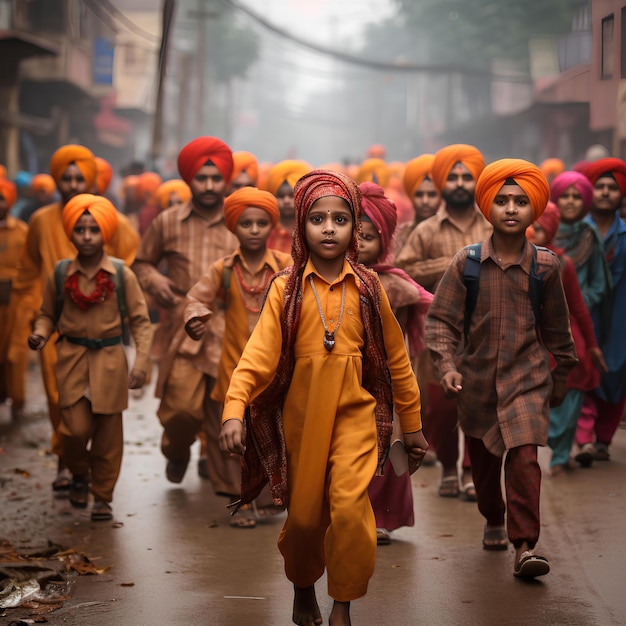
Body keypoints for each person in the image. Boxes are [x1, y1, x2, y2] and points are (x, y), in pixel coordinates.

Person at [219, 170, 428, 626]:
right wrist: (234, 409)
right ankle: (303, 588)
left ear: (355, 228)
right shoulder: (286, 288)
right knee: (306, 520)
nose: (329, 228)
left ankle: (343, 605)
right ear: (301, 226)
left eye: (340, 219)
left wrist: (411, 427)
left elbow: (398, 363)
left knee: (352, 511)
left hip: (358, 420)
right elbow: (255, 357)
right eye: (317, 218)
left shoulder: (370, 287)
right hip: (302, 423)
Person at [425, 159, 577, 578]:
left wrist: (562, 374)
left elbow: (557, 329)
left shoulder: (546, 266)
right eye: (502, 200)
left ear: (534, 210)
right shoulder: (467, 263)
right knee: (486, 476)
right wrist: (447, 366)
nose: (511, 208)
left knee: (526, 458)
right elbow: (440, 321)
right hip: (476, 387)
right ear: (487, 208)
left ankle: (525, 545)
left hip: (527, 380)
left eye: (521, 201)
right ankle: (493, 517)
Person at [9, 144, 139, 491]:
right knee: (58, 398)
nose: (72, 183)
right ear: (56, 180)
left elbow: (131, 262)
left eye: (79, 177)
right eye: (65, 178)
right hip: (57, 327)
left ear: (92, 178)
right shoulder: (40, 221)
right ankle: (67, 461)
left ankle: (98, 480)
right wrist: (31, 315)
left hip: (103, 328)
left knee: (104, 407)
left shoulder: (115, 222)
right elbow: (28, 271)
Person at [28, 194, 153, 521]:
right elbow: (46, 313)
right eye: (80, 229)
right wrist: (41, 333)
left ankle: (102, 497)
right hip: (71, 361)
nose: (86, 236)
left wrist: (141, 363)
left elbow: (140, 322)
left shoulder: (121, 275)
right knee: (73, 430)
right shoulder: (60, 274)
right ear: (70, 233)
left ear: (105, 234)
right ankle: (78, 472)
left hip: (110, 363)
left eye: (94, 230)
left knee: (109, 438)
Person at [132, 136, 239, 488]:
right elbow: (143, 262)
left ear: (225, 179)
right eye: (201, 178)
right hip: (182, 327)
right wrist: (154, 281)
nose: (208, 186)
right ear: (189, 179)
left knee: (226, 411)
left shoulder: (240, 220)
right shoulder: (167, 222)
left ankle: (230, 488)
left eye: (215, 178)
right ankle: (177, 450)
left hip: (231, 327)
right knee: (180, 409)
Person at [183, 187, 291, 526]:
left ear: (271, 226)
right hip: (232, 366)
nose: (255, 230)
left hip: (276, 367)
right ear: (234, 227)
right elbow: (196, 298)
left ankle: (268, 494)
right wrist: (195, 319)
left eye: (262, 223)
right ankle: (240, 499)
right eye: (247, 223)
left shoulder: (286, 265)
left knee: (272, 434)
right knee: (234, 435)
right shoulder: (224, 269)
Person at [396, 143, 491, 500]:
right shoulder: (427, 232)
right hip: (439, 333)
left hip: (485, 331)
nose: (460, 182)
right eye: (453, 176)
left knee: (480, 405)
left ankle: (469, 471)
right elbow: (402, 272)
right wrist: (456, 262)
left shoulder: (492, 225)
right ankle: (449, 467)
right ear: (443, 183)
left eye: (467, 176)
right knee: (442, 407)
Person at [357, 181, 433, 545]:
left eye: (368, 237)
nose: (358, 244)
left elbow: (408, 332)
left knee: (387, 446)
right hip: (342, 377)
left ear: (384, 241)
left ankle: (379, 518)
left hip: (386, 381)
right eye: (352, 233)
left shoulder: (397, 286)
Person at [527, 202, 607, 475]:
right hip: (533, 347)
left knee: (570, 401)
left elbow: (579, 308)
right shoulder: (514, 261)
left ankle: (560, 457)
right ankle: (555, 449)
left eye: (538, 227)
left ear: (549, 229)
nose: (531, 232)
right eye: (530, 226)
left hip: (567, 345)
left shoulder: (563, 264)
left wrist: (593, 346)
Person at [574, 158, 626, 462]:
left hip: (619, 314)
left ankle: (603, 439)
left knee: (616, 372)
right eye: (600, 187)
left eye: (612, 187)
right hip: (585, 312)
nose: (606, 192)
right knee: (582, 369)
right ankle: (583, 440)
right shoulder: (578, 233)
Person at [0, 178, 28, 419]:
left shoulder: (22, 232)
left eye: (2, 198)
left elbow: (30, 268)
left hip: (16, 304)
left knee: (14, 355)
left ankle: (17, 401)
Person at [396, 153, 441, 252]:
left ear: (441, 196)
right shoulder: (400, 235)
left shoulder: (450, 233)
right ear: (411, 195)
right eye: (419, 194)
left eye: (432, 195)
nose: (425, 201)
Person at [265, 160, 311, 254]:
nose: (286, 201)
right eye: (281, 196)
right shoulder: (265, 230)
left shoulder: (311, 231)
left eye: (291, 195)